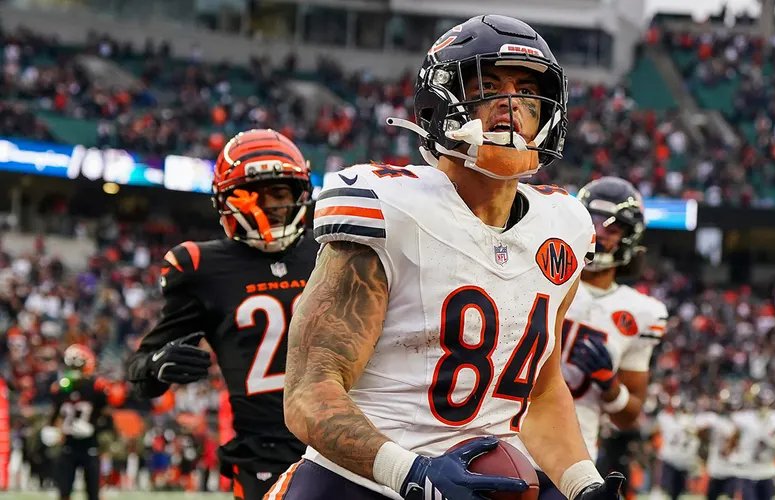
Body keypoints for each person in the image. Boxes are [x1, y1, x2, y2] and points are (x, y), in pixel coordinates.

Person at [268, 14, 623, 500]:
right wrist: (412, 474)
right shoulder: (389, 206)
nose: (511, 103)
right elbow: (310, 391)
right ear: (441, 101)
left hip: (483, 480)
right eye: (489, 85)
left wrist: (584, 485)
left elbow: (540, 392)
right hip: (360, 482)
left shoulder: (564, 226)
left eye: (526, 90)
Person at [125, 129, 318, 500]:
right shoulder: (203, 267)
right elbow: (139, 371)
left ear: (300, 194)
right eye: (256, 196)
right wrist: (155, 366)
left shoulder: (330, 251)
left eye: (280, 193)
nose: (272, 206)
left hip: (344, 437)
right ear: (226, 200)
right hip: (265, 450)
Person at [541, 177, 667, 499]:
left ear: (628, 238)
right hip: (504, 435)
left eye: (612, 227)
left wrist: (610, 387)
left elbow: (629, 415)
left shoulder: (642, 312)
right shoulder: (541, 273)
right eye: (592, 220)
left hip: (572, 453)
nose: (598, 231)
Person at [44, 344, 122, 500]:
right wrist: (51, 428)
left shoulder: (93, 387)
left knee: (93, 492)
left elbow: (107, 416)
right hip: (69, 444)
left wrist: (95, 429)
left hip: (90, 445)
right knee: (65, 491)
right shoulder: (63, 388)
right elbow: (56, 413)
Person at [730, 384, 775, 500]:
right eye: (761, 401)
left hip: (766, 471)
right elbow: (732, 441)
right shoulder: (743, 418)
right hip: (747, 471)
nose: (764, 405)